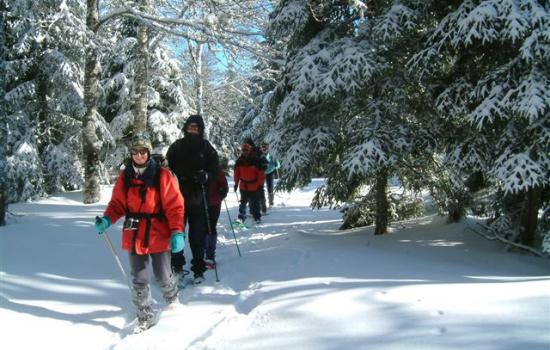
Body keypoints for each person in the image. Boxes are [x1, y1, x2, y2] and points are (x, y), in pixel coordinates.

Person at [94, 137, 185, 333]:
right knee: (139, 277)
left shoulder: (163, 176)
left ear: (148, 152)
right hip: (134, 233)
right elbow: (117, 204)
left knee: (162, 274)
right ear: (131, 153)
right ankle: (145, 315)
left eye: (143, 151)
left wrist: (177, 231)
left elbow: (175, 206)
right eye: (135, 151)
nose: (139, 155)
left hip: (158, 232)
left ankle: (171, 298)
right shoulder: (125, 176)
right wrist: (107, 220)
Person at [166, 114, 219, 284]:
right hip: (178, 195)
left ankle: (198, 268)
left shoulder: (206, 147)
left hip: (198, 195)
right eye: (190, 127)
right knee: (177, 233)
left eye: (196, 128)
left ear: (201, 130)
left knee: (197, 235)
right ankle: (177, 266)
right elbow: (167, 170)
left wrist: (207, 176)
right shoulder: (177, 146)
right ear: (185, 128)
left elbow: (215, 170)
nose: (193, 130)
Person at [234, 139, 265, 224]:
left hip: (254, 186)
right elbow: (236, 173)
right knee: (243, 203)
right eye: (243, 150)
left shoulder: (256, 160)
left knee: (255, 203)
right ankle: (241, 217)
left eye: (246, 150)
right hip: (243, 185)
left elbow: (261, 174)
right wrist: (236, 183)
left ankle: (257, 217)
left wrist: (260, 185)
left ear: (250, 150)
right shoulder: (239, 161)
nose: (245, 152)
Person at [204, 167, 229, 269]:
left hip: (214, 203)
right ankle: (206, 252)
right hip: (201, 202)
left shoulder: (217, 170)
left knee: (211, 227)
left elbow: (224, 185)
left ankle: (210, 254)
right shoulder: (197, 166)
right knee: (204, 228)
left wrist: (222, 192)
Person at [260, 142, 280, 211]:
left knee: (270, 188)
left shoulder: (271, 155)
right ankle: (261, 203)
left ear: (268, 148)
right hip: (261, 173)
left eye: (265, 147)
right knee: (260, 188)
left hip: (270, 173)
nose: (264, 148)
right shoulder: (260, 155)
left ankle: (271, 203)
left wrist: (275, 166)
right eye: (263, 147)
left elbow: (278, 164)